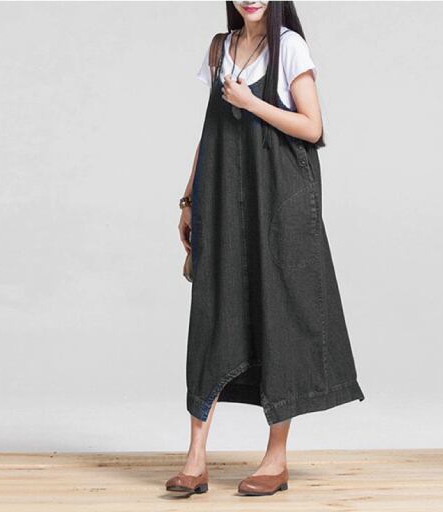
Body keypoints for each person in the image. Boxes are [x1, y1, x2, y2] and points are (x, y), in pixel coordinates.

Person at [166, 0, 364, 497]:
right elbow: (210, 131)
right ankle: (195, 459)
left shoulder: (289, 47)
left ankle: (276, 460)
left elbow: (312, 127)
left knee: (280, 313)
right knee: (213, 310)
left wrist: (251, 102)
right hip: (223, 195)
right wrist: (189, 198)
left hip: (280, 199)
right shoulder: (220, 49)